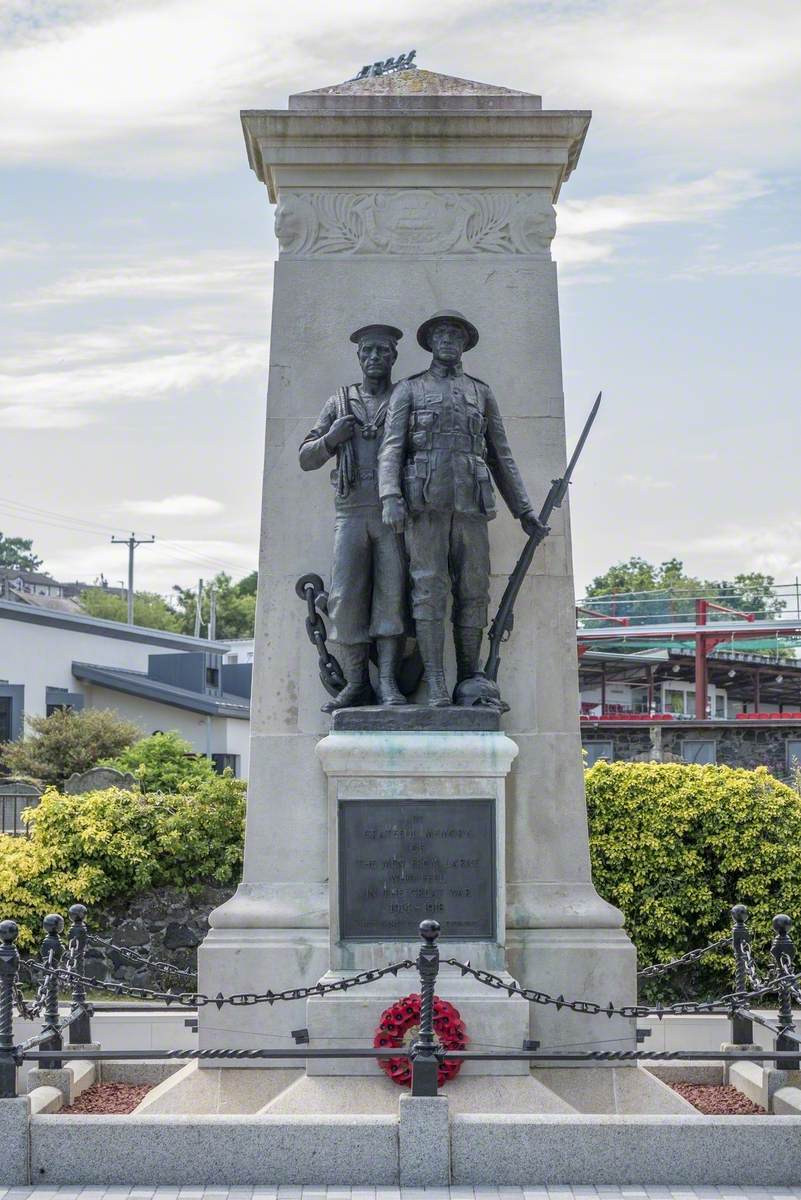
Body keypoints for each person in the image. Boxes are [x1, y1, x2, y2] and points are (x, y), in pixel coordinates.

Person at [378, 310, 545, 706]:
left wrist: (524, 511)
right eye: (441, 335)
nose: (448, 341)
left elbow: (502, 456)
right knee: (429, 591)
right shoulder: (409, 390)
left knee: (474, 593)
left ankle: (468, 679)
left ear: (465, 344)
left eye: (455, 335)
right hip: (424, 506)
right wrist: (390, 497)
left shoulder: (480, 392)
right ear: (431, 343)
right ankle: (435, 682)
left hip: (471, 504)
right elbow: (392, 449)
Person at [300, 324, 408, 710]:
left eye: (382, 351)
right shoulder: (339, 402)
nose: (375, 357)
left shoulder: (404, 396)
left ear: (394, 356)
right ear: (358, 357)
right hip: (351, 510)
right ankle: (358, 682)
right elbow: (305, 456)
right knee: (345, 600)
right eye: (368, 351)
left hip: (394, 512)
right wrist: (332, 438)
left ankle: (390, 684)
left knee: (392, 599)